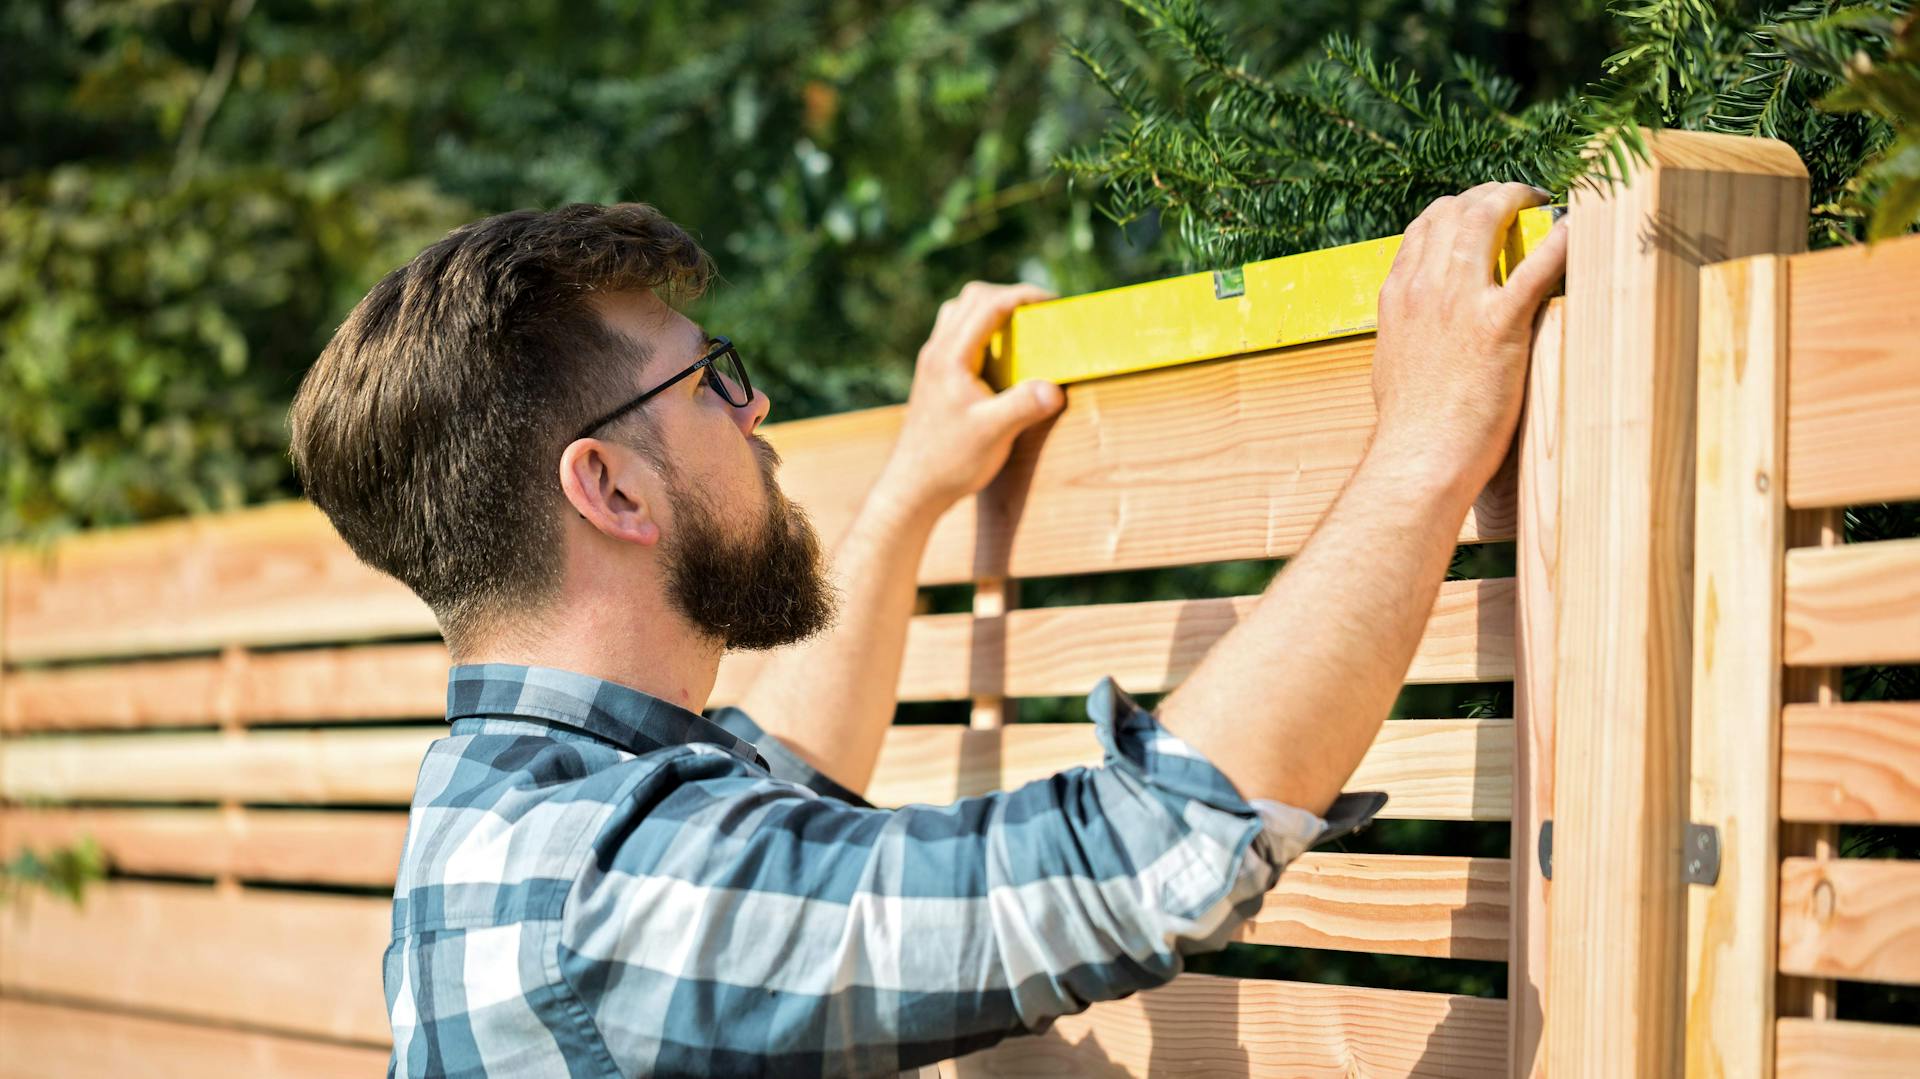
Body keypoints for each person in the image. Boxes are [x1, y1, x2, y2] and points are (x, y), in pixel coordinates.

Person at [288, 181, 1567, 1078]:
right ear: (610, 490)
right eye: (711, 377)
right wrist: (1423, 444)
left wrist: (910, 489)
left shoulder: (522, 805)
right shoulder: (605, 893)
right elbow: (1151, 849)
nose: (758, 402)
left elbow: (771, 778)